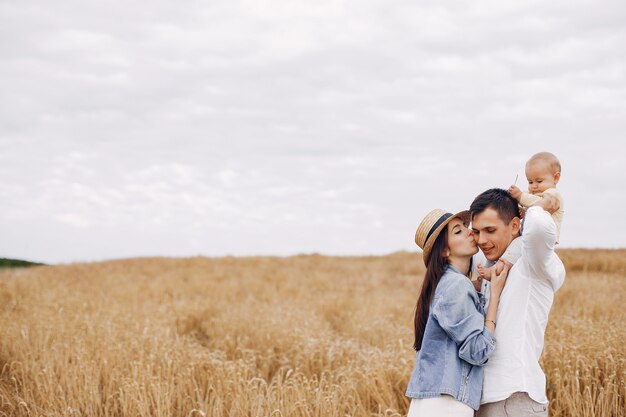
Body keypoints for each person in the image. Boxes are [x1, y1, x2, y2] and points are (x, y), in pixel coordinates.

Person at [470, 189, 565, 417]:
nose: (482, 240)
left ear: (515, 226)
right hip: (482, 399)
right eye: (476, 231)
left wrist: (538, 205)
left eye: (490, 230)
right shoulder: (487, 264)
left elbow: (540, 229)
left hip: (514, 399)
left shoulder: (532, 261)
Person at [405, 208, 509, 416]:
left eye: (466, 227)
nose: (470, 232)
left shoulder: (449, 284)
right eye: (458, 231)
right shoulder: (456, 286)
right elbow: (477, 351)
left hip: (435, 401)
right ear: (444, 251)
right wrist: (495, 295)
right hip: (445, 404)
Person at [478, 152, 564, 280]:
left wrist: (520, 196)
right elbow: (532, 208)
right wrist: (522, 211)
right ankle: (489, 271)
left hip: (542, 239)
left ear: (555, 178)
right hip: (529, 235)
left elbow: (539, 204)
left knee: (517, 245)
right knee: (507, 247)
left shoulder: (552, 194)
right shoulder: (536, 194)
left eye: (539, 181)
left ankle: (498, 270)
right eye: (530, 182)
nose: (533, 186)